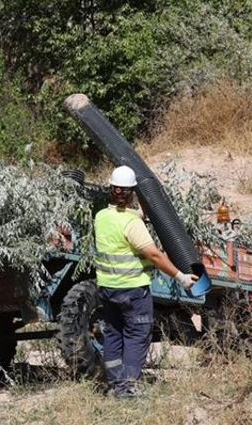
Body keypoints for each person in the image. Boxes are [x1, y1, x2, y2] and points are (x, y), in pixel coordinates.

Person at [94, 165, 199, 398]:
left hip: (108, 289)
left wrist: (139, 194)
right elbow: (154, 255)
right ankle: (128, 387)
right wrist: (181, 277)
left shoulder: (102, 217)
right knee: (137, 334)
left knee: (113, 333)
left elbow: (140, 215)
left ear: (112, 189)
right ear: (130, 193)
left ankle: (115, 383)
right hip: (132, 290)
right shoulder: (132, 225)